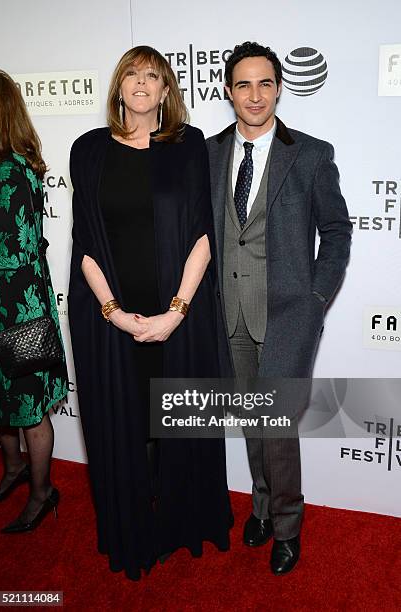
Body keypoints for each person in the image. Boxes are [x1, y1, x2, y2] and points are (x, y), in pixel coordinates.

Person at [68, 45, 231, 581]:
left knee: (177, 424)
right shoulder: (87, 150)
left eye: (153, 76)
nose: (141, 83)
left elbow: (203, 237)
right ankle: (133, 528)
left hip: (178, 319)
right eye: (132, 75)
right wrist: (115, 313)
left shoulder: (188, 146)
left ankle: (182, 522)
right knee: (126, 425)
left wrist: (175, 312)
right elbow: (85, 244)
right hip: (109, 323)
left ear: (167, 91)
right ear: (119, 88)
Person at [206, 42, 352, 574]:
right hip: (230, 315)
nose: (255, 95)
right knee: (251, 420)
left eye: (265, 83)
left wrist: (316, 298)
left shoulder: (311, 154)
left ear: (279, 87)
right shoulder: (210, 152)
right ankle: (261, 506)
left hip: (289, 314)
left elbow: (336, 231)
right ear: (228, 91)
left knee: (277, 426)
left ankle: (287, 524)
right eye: (243, 84)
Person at [0, 69, 68, 532]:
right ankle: (15, 468)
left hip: (16, 311)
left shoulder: (10, 172)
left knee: (27, 406)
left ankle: (42, 492)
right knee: (1, 402)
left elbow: (13, 252)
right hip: (4, 304)